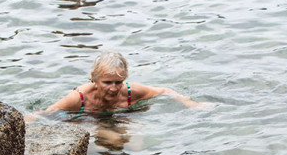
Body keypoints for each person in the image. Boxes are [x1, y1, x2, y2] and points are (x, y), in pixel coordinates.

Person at [24, 51, 203, 122]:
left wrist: (191, 105)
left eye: (118, 82)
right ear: (94, 79)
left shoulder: (131, 92)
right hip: (88, 119)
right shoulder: (78, 98)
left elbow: (165, 90)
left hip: (121, 116)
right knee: (107, 137)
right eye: (107, 82)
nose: (113, 88)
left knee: (134, 140)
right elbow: (46, 112)